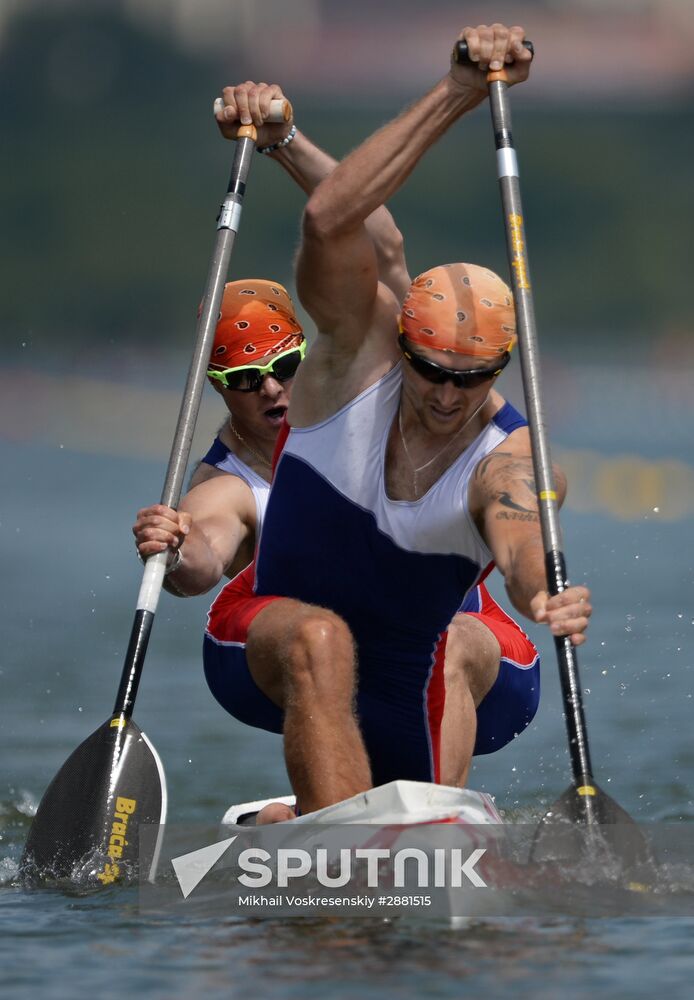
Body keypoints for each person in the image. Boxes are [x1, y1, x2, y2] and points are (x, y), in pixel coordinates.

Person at [204, 23, 593, 817]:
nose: (450, 397)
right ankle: (338, 834)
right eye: (431, 372)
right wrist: (455, 90)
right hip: (291, 654)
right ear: (399, 344)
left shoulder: (510, 456)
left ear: (503, 365)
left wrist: (541, 592)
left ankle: (414, 833)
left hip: (440, 675)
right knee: (321, 641)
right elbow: (335, 224)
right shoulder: (357, 355)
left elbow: (522, 541)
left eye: (475, 378)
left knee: (458, 639)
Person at [132, 278, 305, 595]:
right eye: (245, 378)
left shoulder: (350, 409)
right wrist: (174, 551)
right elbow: (206, 556)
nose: (271, 389)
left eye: (285, 366)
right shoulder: (224, 485)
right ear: (216, 384)